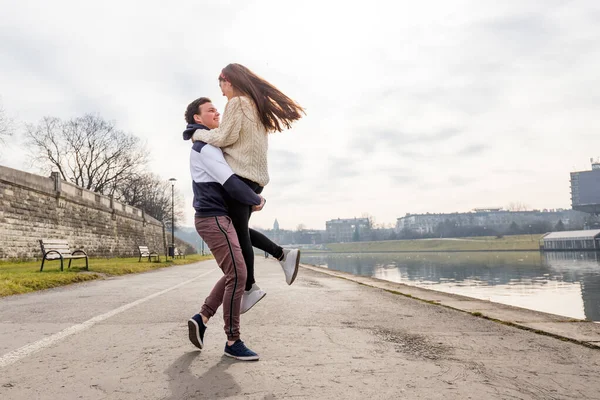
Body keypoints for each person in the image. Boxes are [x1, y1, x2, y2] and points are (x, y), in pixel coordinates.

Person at [190, 63, 305, 313]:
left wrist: (198, 135)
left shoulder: (238, 102)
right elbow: (233, 136)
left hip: (242, 178)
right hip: (256, 178)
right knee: (239, 229)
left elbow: (224, 138)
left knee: (239, 234)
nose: (222, 94)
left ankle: (252, 286)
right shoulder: (254, 103)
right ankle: (282, 256)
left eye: (221, 87)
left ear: (228, 80)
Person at [185, 97, 266, 361]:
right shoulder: (205, 147)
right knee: (239, 274)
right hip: (214, 219)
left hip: (217, 218)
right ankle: (233, 340)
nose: (216, 111)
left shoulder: (209, 144)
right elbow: (230, 182)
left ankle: (202, 317)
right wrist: (256, 199)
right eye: (210, 110)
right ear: (198, 119)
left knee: (234, 271)